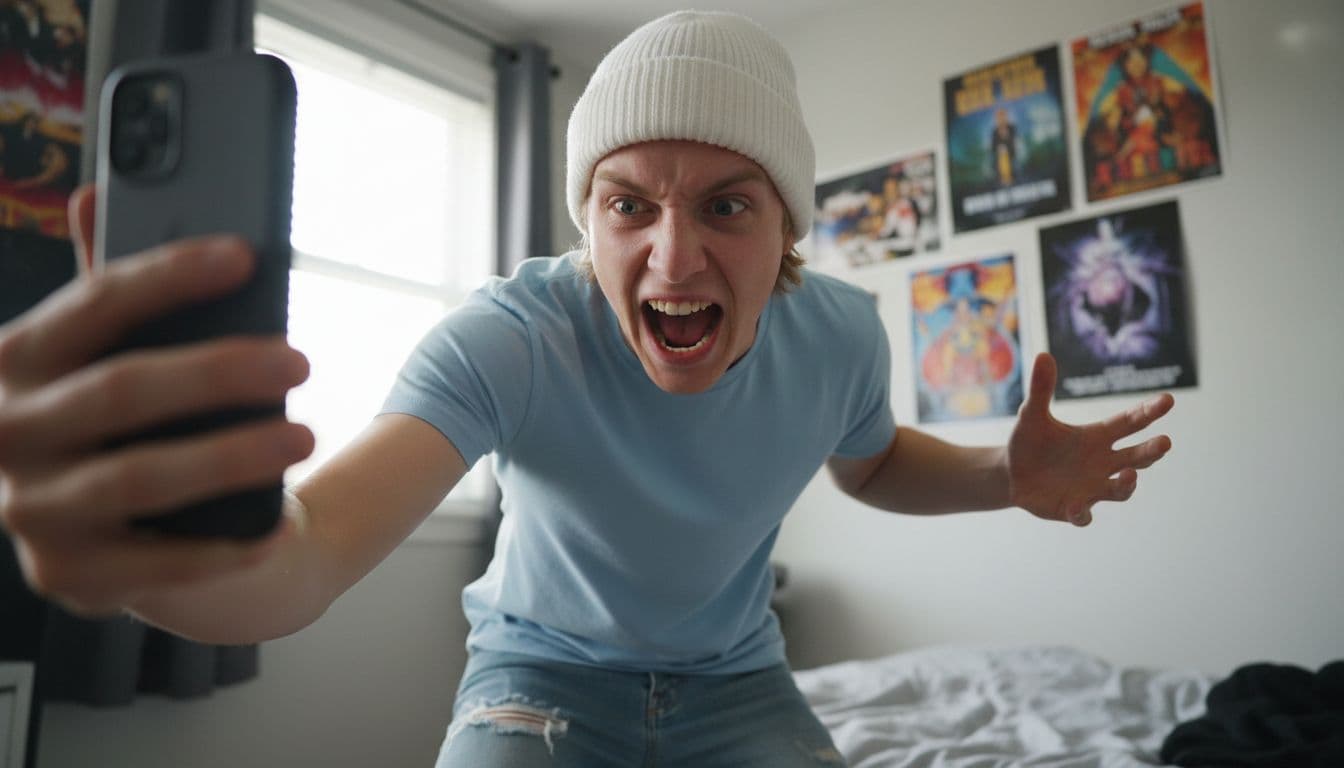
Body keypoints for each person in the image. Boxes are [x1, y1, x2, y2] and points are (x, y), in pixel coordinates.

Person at [0, 10, 1175, 768]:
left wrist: (999, 479)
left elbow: (866, 462)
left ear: (785, 230)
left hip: (740, 688)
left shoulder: (842, 338)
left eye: (726, 204)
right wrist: (158, 549)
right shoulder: (514, 335)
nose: (672, 261)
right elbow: (306, 556)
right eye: (629, 204)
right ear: (590, 219)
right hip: (538, 682)